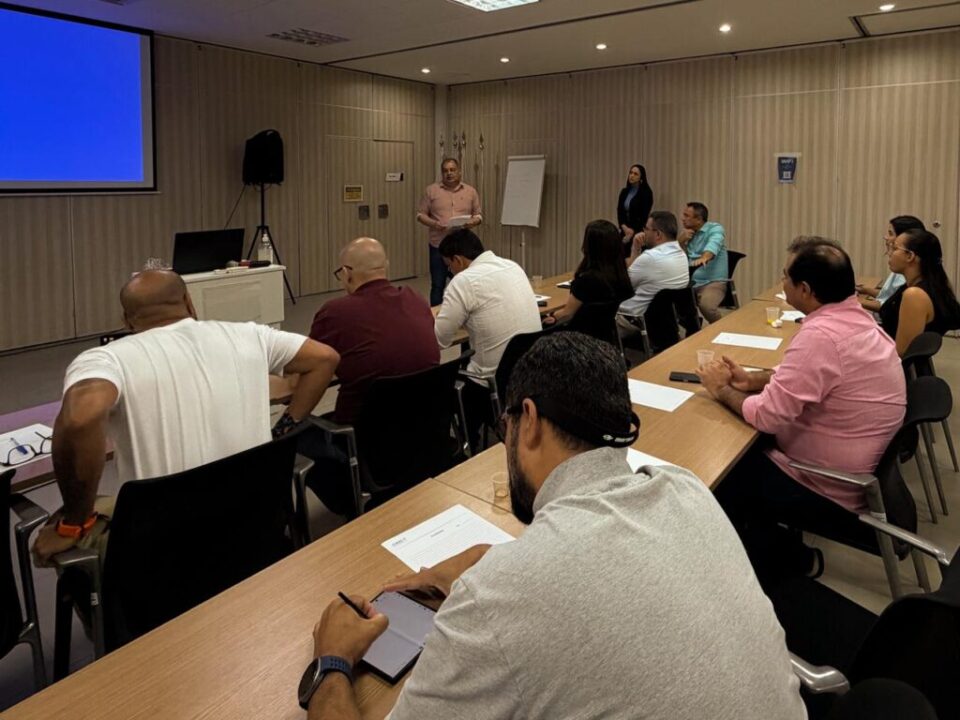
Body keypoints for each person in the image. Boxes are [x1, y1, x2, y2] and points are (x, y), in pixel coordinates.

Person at [302, 333, 806, 720]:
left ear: (528, 419)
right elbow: (599, 556)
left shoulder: (497, 599)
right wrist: (491, 563)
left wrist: (333, 662)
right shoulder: (683, 486)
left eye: (504, 430)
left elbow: (540, 584)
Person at [32, 270, 339, 563]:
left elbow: (81, 419)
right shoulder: (251, 335)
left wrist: (74, 522)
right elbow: (325, 358)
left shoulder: (106, 359)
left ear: (126, 321)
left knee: (62, 524)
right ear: (190, 303)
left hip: (161, 551)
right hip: (256, 532)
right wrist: (285, 427)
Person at [696, 237, 906, 580]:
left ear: (805, 289)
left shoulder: (821, 337)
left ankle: (779, 563)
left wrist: (720, 389)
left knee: (721, 473)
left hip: (826, 486)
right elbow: (813, 376)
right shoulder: (857, 320)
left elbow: (765, 416)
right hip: (857, 470)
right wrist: (751, 380)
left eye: (785, 276)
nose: (782, 281)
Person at [309, 237, 439, 425]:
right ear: (386, 267)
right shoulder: (415, 298)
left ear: (346, 273)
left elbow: (309, 364)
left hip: (358, 433)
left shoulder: (335, 312)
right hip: (424, 425)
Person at [435, 229, 541, 447]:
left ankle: (463, 448)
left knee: (443, 387)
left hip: (490, 383)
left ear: (458, 260)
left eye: (449, 266)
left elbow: (439, 339)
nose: (450, 271)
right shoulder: (512, 266)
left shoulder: (463, 281)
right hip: (529, 372)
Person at [543, 219, 633, 346]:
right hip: (606, 340)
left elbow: (567, 314)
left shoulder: (587, 280)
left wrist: (552, 316)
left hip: (575, 340)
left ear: (589, 246)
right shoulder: (620, 275)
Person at [879, 228, 960, 356]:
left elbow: (901, 352)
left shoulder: (915, 295)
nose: (889, 253)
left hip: (891, 363)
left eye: (894, 249)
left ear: (910, 256)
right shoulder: (921, 285)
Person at [416, 157, 482, 306]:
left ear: (459, 172)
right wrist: (434, 224)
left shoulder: (470, 191)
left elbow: (478, 215)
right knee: (437, 285)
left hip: (462, 247)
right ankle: (435, 316)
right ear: (442, 173)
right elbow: (420, 215)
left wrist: (472, 222)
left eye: (452, 170)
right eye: (445, 171)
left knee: (464, 284)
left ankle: (463, 313)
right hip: (438, 245)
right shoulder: (431, 191)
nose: (449, 173)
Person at [616, 210, 690, 339]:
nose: (643, 232)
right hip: (666, 321)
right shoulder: (681, 254)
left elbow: (623, 288)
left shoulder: (650, 257)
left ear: (658, 234)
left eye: (646, 228)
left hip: (634, 320)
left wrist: (635, 250)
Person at [856, 215, 925, 313]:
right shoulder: (903, 268)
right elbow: (888, 296)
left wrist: (853, 302)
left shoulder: (909, 279)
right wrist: (864, 290)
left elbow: (889, 306)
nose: (885, 237)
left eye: (890, 233)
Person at [679, 202, 728, 323]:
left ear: (699, 219)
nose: (682, 219)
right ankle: (693, 328)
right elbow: (680, 260)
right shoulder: (688, 234)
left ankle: (722, 329)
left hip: (712, 282)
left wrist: (705, 257)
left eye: (686, 216)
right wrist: (680, 242)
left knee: (707, 307)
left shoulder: (715, 229)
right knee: (664, 301)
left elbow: (713, 244)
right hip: (689, 283)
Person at [616, 163, 653, 253]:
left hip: (638, 231)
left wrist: (632, 231)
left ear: (641, 177)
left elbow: (644, 216)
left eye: (635, 174)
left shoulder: (646, 193)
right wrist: (624, 227)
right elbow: (620, 211)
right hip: (625, 230)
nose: (632, 176)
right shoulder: (624, 192)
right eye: (631, 173)